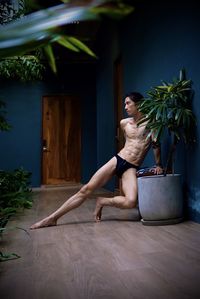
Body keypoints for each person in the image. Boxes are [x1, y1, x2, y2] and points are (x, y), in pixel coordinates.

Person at [30, 92, 163, 229]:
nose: (125, 107)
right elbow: (128, 143)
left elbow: (155, 144)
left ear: (138, 104)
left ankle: (103, 201)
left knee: (130, 201)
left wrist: (159, 164)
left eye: (128, 103)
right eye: (124, 103)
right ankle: (52, 218)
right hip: (118, 160)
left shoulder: (151, 123)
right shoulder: (124, 123)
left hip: (131, 166)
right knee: (86, 190)